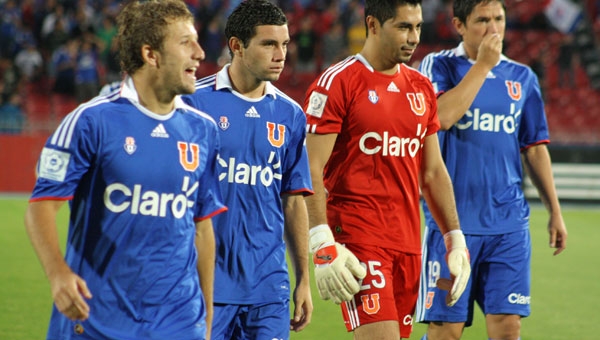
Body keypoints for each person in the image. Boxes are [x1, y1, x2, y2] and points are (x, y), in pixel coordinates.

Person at [24, 1, 226, 339]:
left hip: (179, 321)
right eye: (185, 42)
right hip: (97, 319)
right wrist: (58, 275)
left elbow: (202, 229)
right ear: (151, 54)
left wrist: (205, 321)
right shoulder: (92, 121)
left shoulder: (203, 130)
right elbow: (42, 205)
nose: (200, 52)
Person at [302, 1, 471, 339]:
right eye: (403, 27)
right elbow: (310, 166)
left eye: (418, 27)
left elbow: (433, 172)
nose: (413, 37)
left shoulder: (421, 88)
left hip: (408, 245)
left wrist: (455, 238)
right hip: (358, 239)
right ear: (374, 25)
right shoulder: (339, 82)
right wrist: (321, 241)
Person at [414, 1, 569, 339]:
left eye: (498, 18)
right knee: (446, 331)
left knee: (507, 329)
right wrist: (483, 66)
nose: (493, 28)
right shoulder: (438, 65)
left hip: (508, 225)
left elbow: (535, 148)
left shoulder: (522, 77)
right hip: (452, 226)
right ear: (459, 25)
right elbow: (441, 117)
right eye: (482, 20)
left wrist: (554, 210)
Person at [182, 0, 314, 339]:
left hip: (268, 288)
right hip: (206, 284)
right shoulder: (192, 104)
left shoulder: (290, 114)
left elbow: (293, 200)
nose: (281, 54)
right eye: (269, 43)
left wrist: (303, 280)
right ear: (237, 46)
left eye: (284, 44)